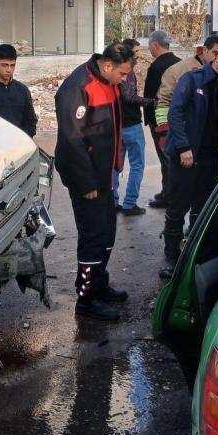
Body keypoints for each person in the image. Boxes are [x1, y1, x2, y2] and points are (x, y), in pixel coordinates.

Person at [54, 42, 135, 321]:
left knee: (107, 234)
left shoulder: (109, 83)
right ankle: (86, 299)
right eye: (123, 74)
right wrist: (86, 182)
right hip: (86, 179)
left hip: (105, 174)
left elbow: (112, 126)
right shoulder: (77, 87)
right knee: (92, 237)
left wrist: (116, 162)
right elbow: (71, 140)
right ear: (108, 65)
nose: (125, 80)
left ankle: (99, 284)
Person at [161, 43, 218, 278]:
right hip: (186, 156)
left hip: (211, 158)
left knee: (202, 208)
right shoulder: (192, 79)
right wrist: (184, 147)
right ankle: (170, 257)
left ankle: (194, 254)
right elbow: (174, 112)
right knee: (177, 208)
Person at [113, 38, 155, 215]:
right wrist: (151, 102)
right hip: (131, 125)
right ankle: (130, 204)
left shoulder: (115, 70)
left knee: (116, 165)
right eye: (136, 52)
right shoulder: (127, 71)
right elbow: (129, 96)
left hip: (118, 125)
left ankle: (113, 201)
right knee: (137, 165)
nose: (139, 55)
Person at [142, 30, 180, 209]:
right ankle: (168, 191)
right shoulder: (179, 63)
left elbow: (150, 97)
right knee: (171, 156)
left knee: (166, 158)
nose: (149, 49)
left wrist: (149, 118)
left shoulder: (157, 67)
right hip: (176, 117)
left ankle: (169, 195)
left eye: (149, 45)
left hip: (160, 120)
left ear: (155, 45)